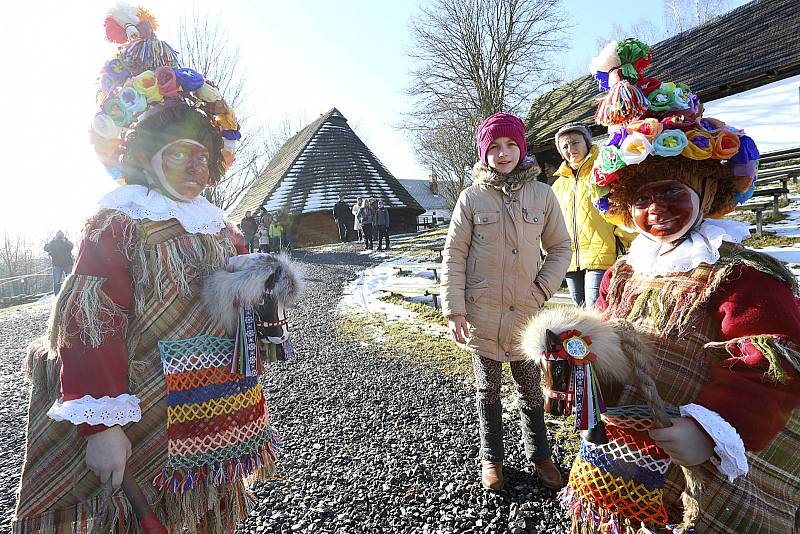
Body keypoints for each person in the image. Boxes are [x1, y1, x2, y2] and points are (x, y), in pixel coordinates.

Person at [13, 7, 299, 533]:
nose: (198, 169)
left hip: (217, 407)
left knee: (209, 512)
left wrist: (261, 276)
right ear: (148, 161)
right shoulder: (119, 224)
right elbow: (89, 322)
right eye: (180, 155)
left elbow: (230, 284)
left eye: (203, 157)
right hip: (145, 413)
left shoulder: (214, 224)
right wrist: (101, 425)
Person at [560, 38, 800, 533]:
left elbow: (774, 361)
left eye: (673, 190)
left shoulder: (738, 275)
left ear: (706, 189)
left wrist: (711, 426)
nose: (657, 208)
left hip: (702, 455)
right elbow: (607, 340)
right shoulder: (625, 272)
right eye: (642, 198)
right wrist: (577, 358)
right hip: (630, 449)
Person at [441, 112, 572, 491]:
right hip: (481, 313)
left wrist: (541, 289)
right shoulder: (471, 198)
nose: (503, 153)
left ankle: (540, 454)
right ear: (484, 153)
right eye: (494, 147)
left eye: (511, 144)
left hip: (527, 314)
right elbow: (454, 255)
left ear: (522, 147)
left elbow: (561, 247)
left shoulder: (543, 194)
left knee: (531, 386)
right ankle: (492, 458)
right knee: (487, 389)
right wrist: (455, 310)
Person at [551, 123, 635, 308]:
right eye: (565, 146)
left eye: (575, 143)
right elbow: (551, 223)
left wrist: (623, 242)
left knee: (594, 311)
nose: (571, 149)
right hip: (571, 260)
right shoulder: (557, 186)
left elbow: (623, 207)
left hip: (602, 253)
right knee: (580, 313)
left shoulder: (604, 171)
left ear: (587, 143)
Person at [43, 230, 74, 294]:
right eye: (58, 235)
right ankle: (57, 296)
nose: (59, 237)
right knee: (57, 282)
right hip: (57, 265)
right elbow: (46, 248)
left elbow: (72, 246)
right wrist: (52, 241)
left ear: (63, 235)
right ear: (56, 236)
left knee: (70, 280)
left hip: (68, 264)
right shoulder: (53, 243)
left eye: (61, 235)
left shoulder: (66, 242)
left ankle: (71, 294)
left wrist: (65, 241)